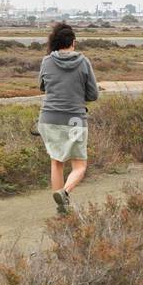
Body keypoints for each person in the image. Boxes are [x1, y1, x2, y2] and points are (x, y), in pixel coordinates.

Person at [37, 22, 99, 214]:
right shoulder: (83, 62)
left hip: (48, 119)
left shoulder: (47, 61)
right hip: (74, 120)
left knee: (56, 162)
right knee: (79, 165)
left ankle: (61, 208)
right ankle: (64, 192)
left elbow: (42, 86)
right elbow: (93, 94)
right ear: (74, 42)